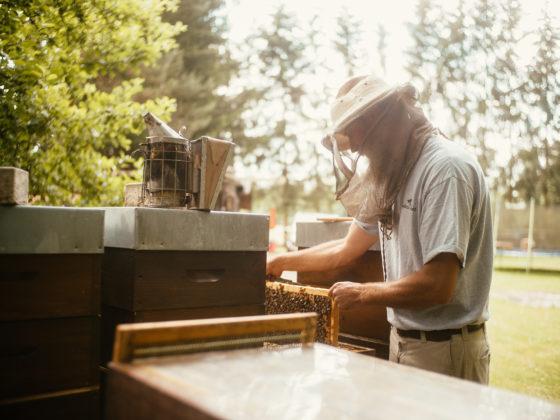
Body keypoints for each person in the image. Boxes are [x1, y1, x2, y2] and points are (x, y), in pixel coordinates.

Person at [266, 74, 493, 384]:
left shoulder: (444, 170)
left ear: (375, 117)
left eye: (352, 132)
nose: (354, 145)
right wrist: (278, 262)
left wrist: (363, 293)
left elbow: (439, 285)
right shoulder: (394, 174)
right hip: (403, 342)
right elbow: (345, 250)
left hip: (447, 350)